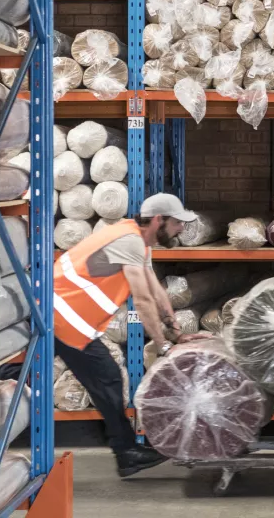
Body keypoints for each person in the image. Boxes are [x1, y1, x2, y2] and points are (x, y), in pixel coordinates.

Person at [53, 193, 200, 477]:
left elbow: (155, 290)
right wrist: (163, 346)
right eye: (177, 223)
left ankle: (127, 451)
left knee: (106, 378)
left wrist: (176, 333)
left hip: (71, 322)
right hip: (62, 319)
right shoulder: (129, 241)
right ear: (159, 219)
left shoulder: (139, 243)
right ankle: (126, 452)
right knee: (107, 377)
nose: (181, 229)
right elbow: (142, 300)